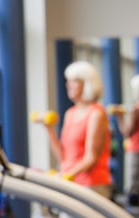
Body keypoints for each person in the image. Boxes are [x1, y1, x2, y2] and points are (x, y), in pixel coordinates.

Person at [36, 61, 112, 199]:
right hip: (71, 183)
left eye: (74, 81)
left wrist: (67, 175)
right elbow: (63, 157)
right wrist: (48, 128)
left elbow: (91, 158)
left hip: (92, 185)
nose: (68, 85)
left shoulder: (97, 114)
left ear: (87, 84)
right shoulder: (70, 113)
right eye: (68, 81)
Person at [113, 74, 139, 206]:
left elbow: (127, 132)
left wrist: (119, 117)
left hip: (136, 149)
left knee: (134, 185)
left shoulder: (137, 109)